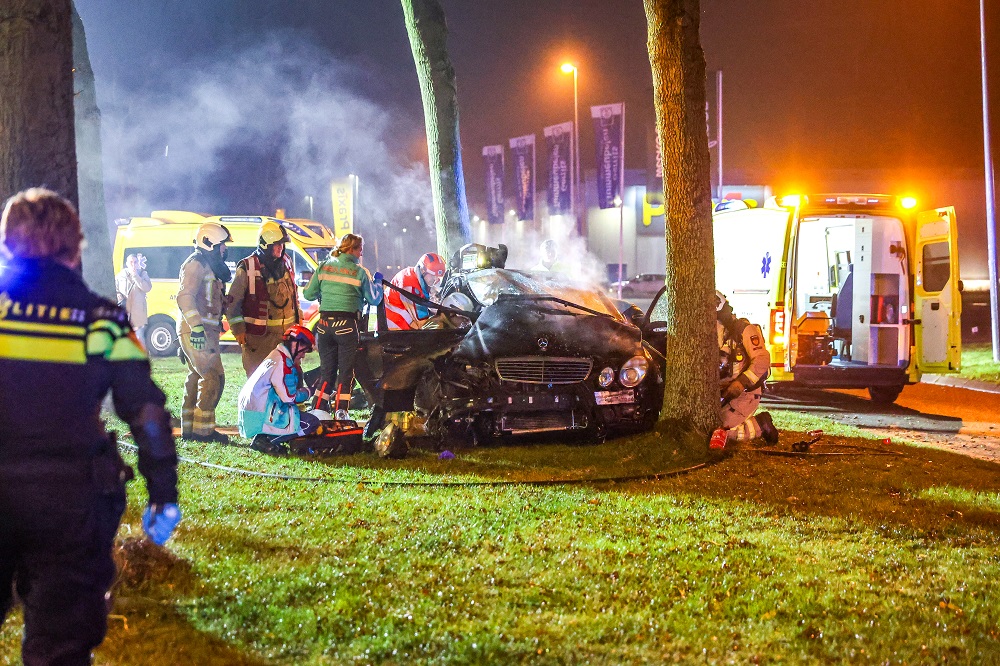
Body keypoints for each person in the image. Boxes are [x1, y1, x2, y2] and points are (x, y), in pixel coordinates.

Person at [0, 188, 180, 664]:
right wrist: (163, 493)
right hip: (71, 501)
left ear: (7, 245)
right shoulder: (102, 319)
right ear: (76, 246)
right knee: (59, 645)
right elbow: (147, 413)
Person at [302, 233, 382, 417]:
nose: (361, 253)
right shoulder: (359, 272)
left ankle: (318, 409)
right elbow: (374, 298)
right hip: (346, 326)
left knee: (326, 370)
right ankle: (341, 411)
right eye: (360, 249)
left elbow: (308, 294)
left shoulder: (324, 267)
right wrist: (377, 282)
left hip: (323, 326)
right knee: (346, 372)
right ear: (352, 249)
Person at [177, 221, 232, 443]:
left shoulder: (209, 266)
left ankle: (190, 430)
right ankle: (203, 432)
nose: (225, 249)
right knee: (212, 378)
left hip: (204, 331)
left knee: (196, 377)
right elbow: (185, 297)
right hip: (198, 331)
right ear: (210, 243)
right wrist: (196, 329)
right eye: (222, 245)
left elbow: (209, 298)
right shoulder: (196, 265)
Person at [226, 220, 301, 376]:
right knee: (259, 381)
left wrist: (298, 324)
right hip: (259, 340)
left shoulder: (286, 262)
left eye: (282, 244)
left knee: (288, 379)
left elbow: (294, 295)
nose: (281, 247)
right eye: (277, 244)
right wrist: (238, 330)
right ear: (265, 245)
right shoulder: (248, 268)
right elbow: (232, 303)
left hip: (287, 337)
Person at [710, 290, 779, 449]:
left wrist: (742, 382)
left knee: (722, 432)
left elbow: (762, 360)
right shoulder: (710, 333)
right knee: (707, 425)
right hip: (722, 394)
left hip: (745, 394)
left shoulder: (744, 330)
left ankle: (762, 425)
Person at [238, 324, 320, 455]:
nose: (303, 356)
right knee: (311, 423)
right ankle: (266, 440)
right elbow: (289, 397)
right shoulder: (283, 363)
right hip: (262, 413)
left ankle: (268, 438)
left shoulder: (276, 355)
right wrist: (309, 391)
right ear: (296, 344)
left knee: (300, 417)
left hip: (254, 411)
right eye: (304, 351)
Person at [384, 252, 446, 330]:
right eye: (433, 276)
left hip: (395, 323)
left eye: (438, 277)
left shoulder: (412, 275)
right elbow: (422, 322)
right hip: (394, 329)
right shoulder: (410, 287)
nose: (436, 280)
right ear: (423, 271)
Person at [114, 252, 152, 344]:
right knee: (124, 337)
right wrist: (119, 296)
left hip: (138, 311)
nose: (133, 264)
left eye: (135, 262)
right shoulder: (120, 276)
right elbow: (115, 290)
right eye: (131, 262)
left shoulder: (142, 274)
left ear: (137, 263)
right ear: (127, 264)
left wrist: (136, 276)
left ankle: (140, 356)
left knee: (139, 337)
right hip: (124, 310)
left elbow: (147, 288)